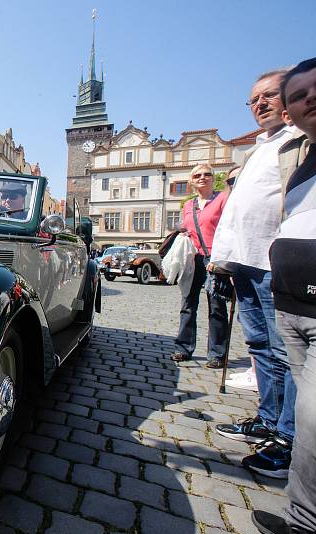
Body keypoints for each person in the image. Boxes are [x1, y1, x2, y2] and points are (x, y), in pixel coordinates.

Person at [210, 68, 299, 480]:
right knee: (261, 345)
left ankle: (288, 438)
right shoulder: (263, 145)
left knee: (287, 352)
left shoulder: (298, 140)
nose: (259, 104)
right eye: (253, 100)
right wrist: (222, 255)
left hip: (274, 260)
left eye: (269, 95)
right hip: (245, 259)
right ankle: (267, 421)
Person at [251, 57, 316, 534]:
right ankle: (300, 515)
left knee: (313, 420)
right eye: (299, 94)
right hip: (291, 298)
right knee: (303, 411)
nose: (307, 99)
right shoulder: (300, 157)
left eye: (270, 97)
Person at [170, 164, 229, 368]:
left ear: (213, 178)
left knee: (217, 307)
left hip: (215, 257)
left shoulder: (223, 198)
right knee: (188, 304)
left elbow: (229, 228)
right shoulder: (189, 205)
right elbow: (186, 226)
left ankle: (217, 353)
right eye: (197, 175)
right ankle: (183, 347)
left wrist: (223, 258)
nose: (202, 177)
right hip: (193, 258)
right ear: (192, 181)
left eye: (207, 174)